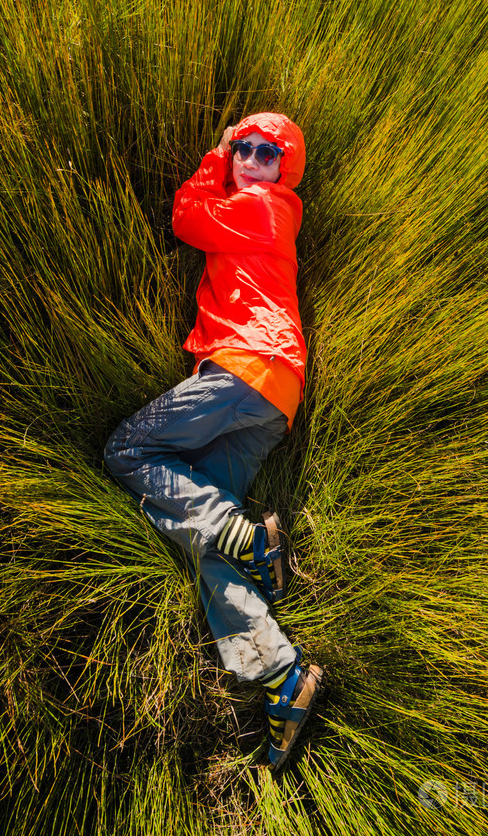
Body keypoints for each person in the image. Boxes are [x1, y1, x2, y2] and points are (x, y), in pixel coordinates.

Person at [103, 111, 323, 770]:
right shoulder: (262, 206)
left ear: (286, 169)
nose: (255, 158)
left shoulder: (263, 205)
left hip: (247, 365)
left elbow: (186, 220)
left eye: (268, 152)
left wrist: (212, 158)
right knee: (203, 541)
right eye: (244, 149)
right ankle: (283, 676)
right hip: (271, 394)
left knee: (128, 451)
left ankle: (250, 536)